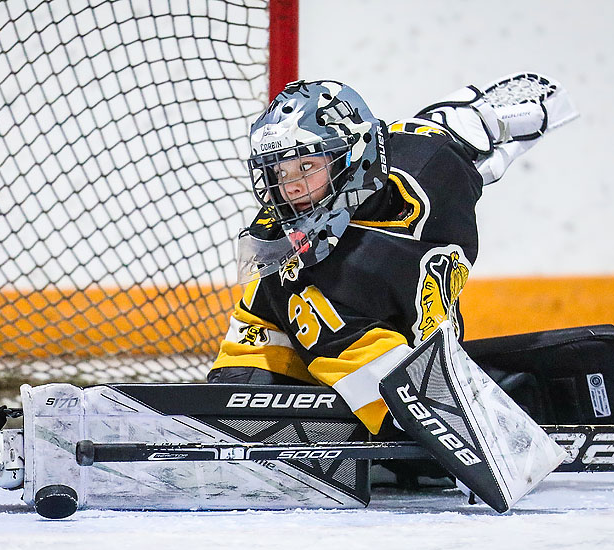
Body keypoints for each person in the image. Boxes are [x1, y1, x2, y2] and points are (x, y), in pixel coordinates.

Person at [207, 76, 578, 439]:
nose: (291, 188)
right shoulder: (300, 262)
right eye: (278, 172)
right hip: (300, 357)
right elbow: (397, 396)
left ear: (351, 156)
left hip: (414, 343)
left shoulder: (430, 162)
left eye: (306, 167)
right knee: (412, 443)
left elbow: (460, 123)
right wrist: (487, 436)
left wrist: (491, 123)